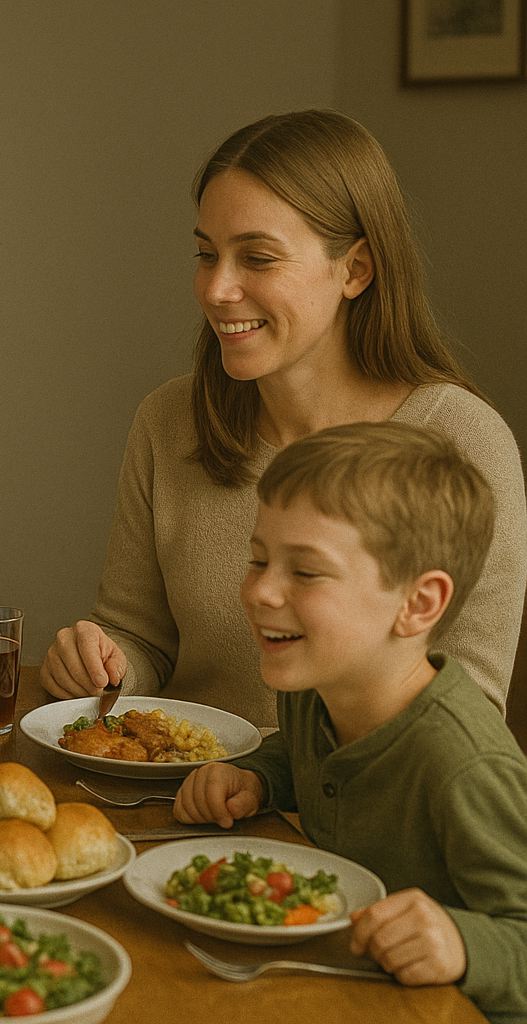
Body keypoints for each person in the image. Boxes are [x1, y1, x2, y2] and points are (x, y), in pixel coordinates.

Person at [40, 109, 526, 727]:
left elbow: (470, 707)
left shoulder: (463, 441)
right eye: (206, 253)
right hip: (180, 798)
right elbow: (141, 638)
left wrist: (270, 773)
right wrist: (102, 662)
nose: (216, 289)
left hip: (355, 812)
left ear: (355, 269)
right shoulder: (168, 421)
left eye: (258, 259)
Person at [174, 422, 527, 1021]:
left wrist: (463, 944)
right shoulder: (315, 693)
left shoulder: (465, 765)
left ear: (418, 604)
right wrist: (258, 776)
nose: (261, 590)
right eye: (258, 559)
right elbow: (307, 754)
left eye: (305, 572)